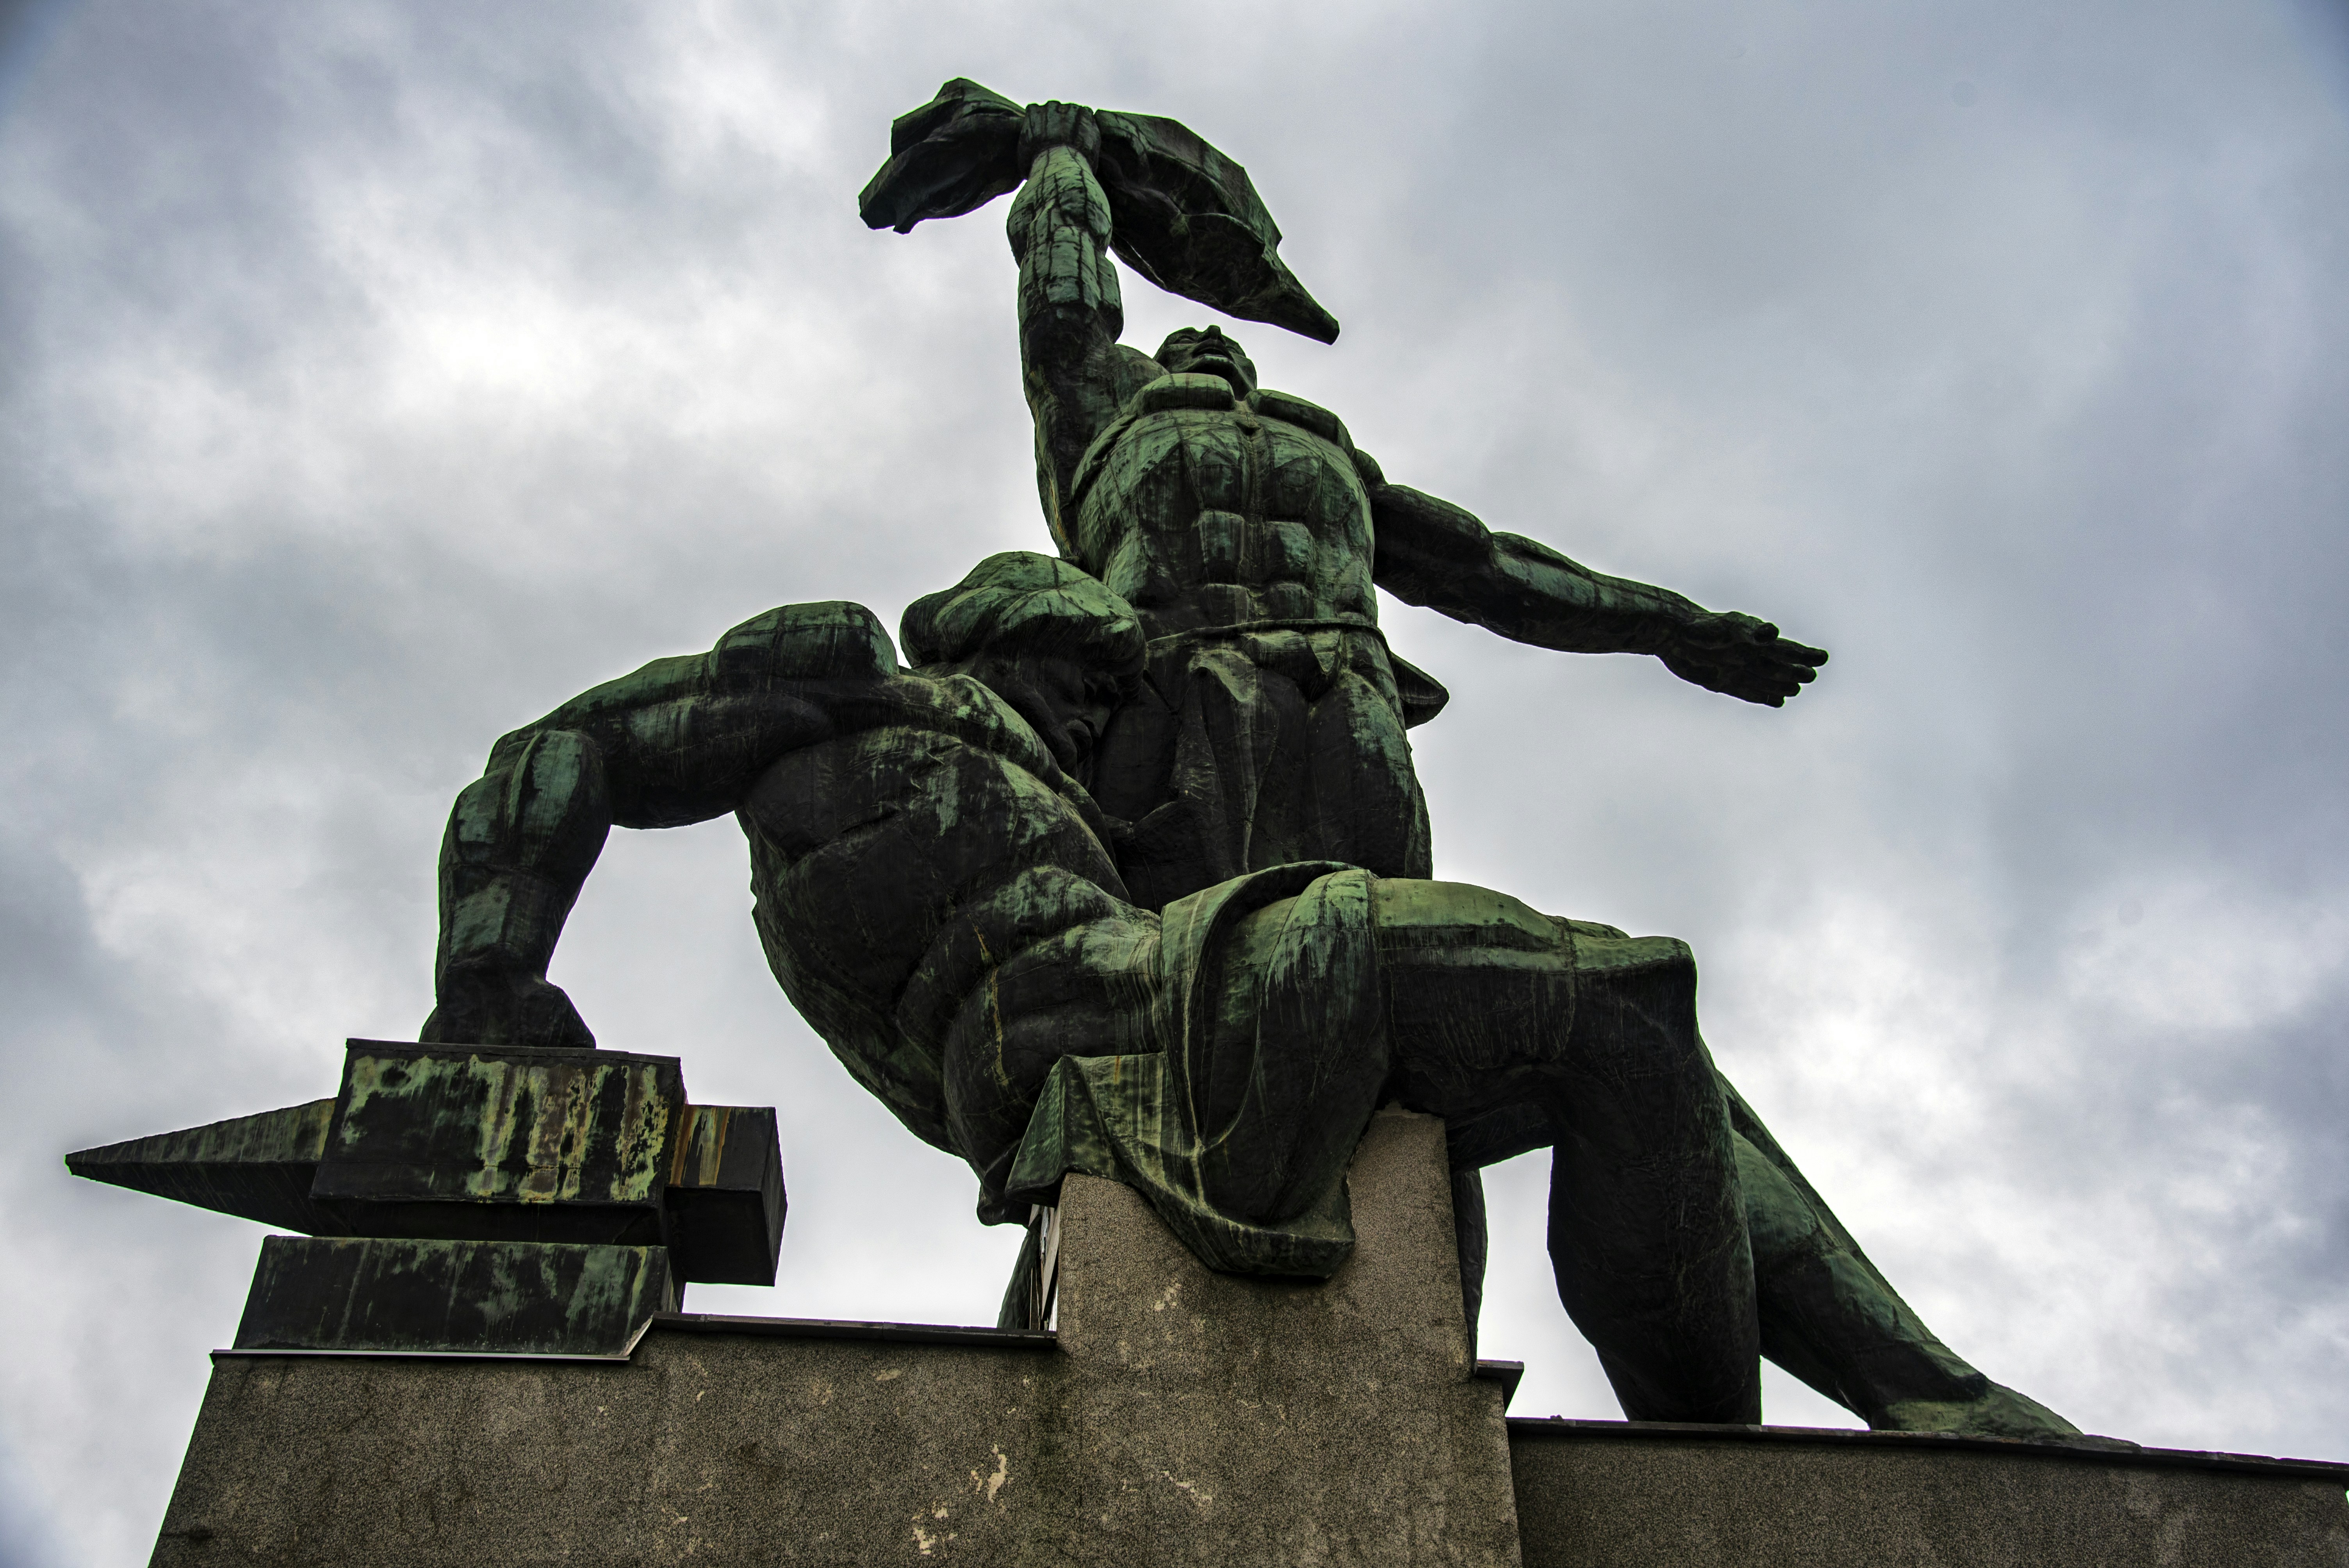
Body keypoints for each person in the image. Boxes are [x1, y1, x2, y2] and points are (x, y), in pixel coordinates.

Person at [422, 553, 2071, 1437]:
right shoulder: (849, 682)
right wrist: (491, 972)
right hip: (1128, 1028)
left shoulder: (1067, 807)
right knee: (1619, 1000)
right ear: (1007, 633)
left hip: (1171, 998)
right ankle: (1725, 1484)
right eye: (1088, 675)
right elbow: (562, 749)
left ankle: (1891, 1408)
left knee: (1649, 1039)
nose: (1103, 713)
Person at [999, 102, 1829, 912]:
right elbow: (1063, 291)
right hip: (1174, 673)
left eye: (1227, 344)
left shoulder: (1337, 463)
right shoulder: (1102, 419)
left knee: (1386, 928)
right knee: (1165, 934)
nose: (1210, 342)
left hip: (1345, 684)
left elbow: (1491, 568)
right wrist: (1063, 159)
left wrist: (1673, 627)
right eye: (1183, 343)